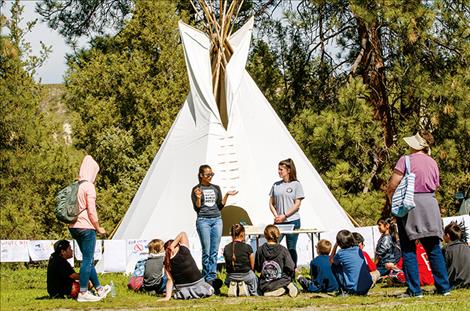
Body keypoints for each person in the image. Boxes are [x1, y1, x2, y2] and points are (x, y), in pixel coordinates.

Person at [387, 130, 451, 297]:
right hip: (430, 204)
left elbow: (393, 184)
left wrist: (392, 201)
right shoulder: (433, 162)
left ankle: (415, 290)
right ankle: (444, 288)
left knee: (408, 249)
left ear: (414, 145)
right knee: (434, 248)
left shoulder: (405, 160)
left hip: (410, 205)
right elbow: (436, 185)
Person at [69, 155, 110, 302]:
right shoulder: (89, 186)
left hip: (73, 226)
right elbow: (91, 210)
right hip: (86, 226)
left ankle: (99, 289)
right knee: (88, 259)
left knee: (88, 259)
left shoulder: (75, 185)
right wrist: (98, 227)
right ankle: (83, 293)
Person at [191, 164, 238, 285]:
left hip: (217, 219)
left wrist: (227, 195)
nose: (210, 176)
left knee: (214, 251)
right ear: (201, 175)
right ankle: (206, 276)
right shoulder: (196, 189)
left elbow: (220, 206)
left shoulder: (216, 188)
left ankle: (212, 276)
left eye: (212, 174)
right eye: (207, 174)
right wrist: (198, 197)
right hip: (203, 220)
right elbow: (197, 208)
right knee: (206, 250)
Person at [269, 158, 304, 267]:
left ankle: (292, 270)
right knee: (273, 246)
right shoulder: (276, 185)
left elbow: (297, 204)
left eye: (281, 169)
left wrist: (285, 215)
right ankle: (274, 269)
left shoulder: (296, 185)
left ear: (288, 170)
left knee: (291, 247)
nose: (279, 171)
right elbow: (271, 203)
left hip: (292, 221)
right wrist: (276, 216)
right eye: (278, 169)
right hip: (279, 222)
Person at [160, 232, 214, 300]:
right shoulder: (184, 250)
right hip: (198, 285)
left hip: (183, 290)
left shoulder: (166, 262)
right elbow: (183, 234)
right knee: (214, 283)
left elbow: (170, 280)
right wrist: (173, 245)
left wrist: (167, 297)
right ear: (178, 245)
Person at [254, 225, 298, 297]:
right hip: (282, 281)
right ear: (278, 235)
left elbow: (258, 268)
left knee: (260, 284)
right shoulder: (283, 250)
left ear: (265, 235)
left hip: (265, 283)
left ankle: (274, 290)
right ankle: (288, 286)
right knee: (287, 280)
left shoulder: (260, 249)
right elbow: (290, 267)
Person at [330, 230, 373, 296]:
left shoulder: (341, 253)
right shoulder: (358, 250)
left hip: (354, 288)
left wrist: (335, 246)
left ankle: (343, 290)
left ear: (339, 243)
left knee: (334, 265)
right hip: (367, 286)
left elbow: (331, 261)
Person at [223, 223, 258, 296]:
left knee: (228, 279)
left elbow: (227, 265)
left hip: (231, 277)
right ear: (242, 234)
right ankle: (249, 290)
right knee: (254, 278)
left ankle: (236, 287)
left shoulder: (226, 248)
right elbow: (252, 266)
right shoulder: (248, 247)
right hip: (246, 276)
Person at [442, 222, 470, 288]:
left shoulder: (446, 249)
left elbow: (442, 270)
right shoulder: (467, 247)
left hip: (455, 284)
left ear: (448, 235)